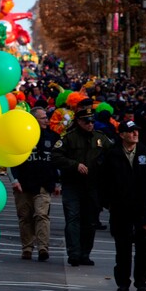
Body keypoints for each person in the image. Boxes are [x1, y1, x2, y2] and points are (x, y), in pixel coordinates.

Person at [100, 120, 146, 291]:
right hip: (120, 208)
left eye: (136, 131)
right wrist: (107, 202)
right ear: (122, 134)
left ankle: (141, 281)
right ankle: (123, 282)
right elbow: (102, 181)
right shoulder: (112, 154)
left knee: (144, 249)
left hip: (142, 208)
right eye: (131, 131)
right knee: (122, 248)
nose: (135, 134)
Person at [52, 106, 112, 266]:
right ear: (79, 121)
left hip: (92, 185)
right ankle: (74, 253)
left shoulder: (100, 138)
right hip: (73, 184)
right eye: (86, 121)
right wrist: (74, 165)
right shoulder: (69, 138)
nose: (90, 124)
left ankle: (85, 253)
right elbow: (56, 155)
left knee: (90, 221)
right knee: (73, 219)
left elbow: (113, 153)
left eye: (92, 121)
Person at [8, 107, 59, 261]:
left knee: (41, 215)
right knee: (25, 217)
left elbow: (59, 161)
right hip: (23, 184)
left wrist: (57, 182)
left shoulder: (53, 137)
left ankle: (43, 248)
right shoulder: (21, 137)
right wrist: (14, 180)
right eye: (43, 118)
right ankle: (27, 248)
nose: (47, 120)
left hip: (44, 184)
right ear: (34, 120)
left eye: (46, 117)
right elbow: (11, 160)